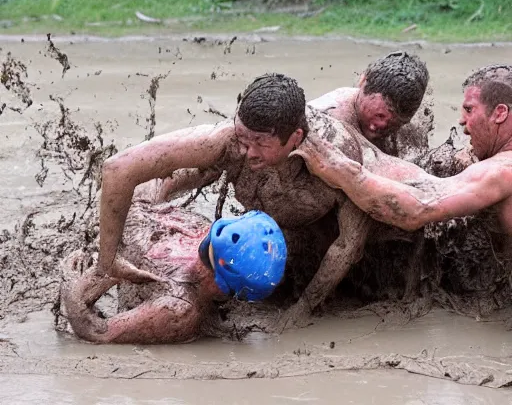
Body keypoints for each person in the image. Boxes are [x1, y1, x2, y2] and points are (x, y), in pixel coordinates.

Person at [93, 72, 421, 331]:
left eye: (260, 144)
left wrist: (304, 308)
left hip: (317, 243)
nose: (247, 151)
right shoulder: (228, 141)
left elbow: (348, 245)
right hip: (263, 235)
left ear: (295, 139)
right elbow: (123, 169)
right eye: (242, 137)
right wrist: (110, 258)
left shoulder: (340, 160)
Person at [291, 64, 512, 237]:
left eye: (469, 110)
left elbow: (418, 210)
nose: (461, 121)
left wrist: (339, 170)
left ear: (500, 113)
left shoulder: (502, 170)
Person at [61, 194, 287, 344]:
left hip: (117, 228)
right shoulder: (196, 227)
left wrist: (70, 282)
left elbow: (96, 332)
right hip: (124, 233)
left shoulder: (178, 310)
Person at [309, 51, 430, 158]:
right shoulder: (324, 119)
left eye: (393, 124)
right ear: (362, 81)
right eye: (379, 115)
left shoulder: (409, 129)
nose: (376, 127)